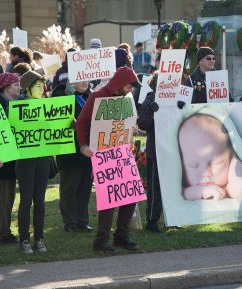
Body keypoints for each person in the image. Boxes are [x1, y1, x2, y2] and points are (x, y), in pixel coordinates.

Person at [76, 66, 142, 254]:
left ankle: (122, 236)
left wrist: (130, 141)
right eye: (130, 86)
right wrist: (83, 146)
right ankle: (101, 240)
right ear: (120, 84)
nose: (132, 90)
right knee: (110, 198)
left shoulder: (126, 99)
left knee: (130, 195)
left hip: (123, 152)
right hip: (103, 153)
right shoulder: (96, 97)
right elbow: (80, 122)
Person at [178, 113, 242, 201]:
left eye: (216, 162)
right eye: (193, 165)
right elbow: (174, 197)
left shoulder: (231, 187)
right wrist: (196, 192)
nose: (206, 173)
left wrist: (235, 161)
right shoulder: (184, 191)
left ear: (230, 156)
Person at [16, 70, 50, 254]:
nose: (42, 88)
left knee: (40, 201)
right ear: (28, 88)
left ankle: (39, 238)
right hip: (25, 160)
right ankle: (24, 239)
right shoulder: (19, 105)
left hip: (42, 158)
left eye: (43, 85)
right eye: (37, 85)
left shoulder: (47, 105)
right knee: (26, 200)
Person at [52, 79, 93, 233]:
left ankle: (82, 221)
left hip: (87, 148)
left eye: (87, 79)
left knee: (85, 187)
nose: (85, 82)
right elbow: (56, 118)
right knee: (70, 187)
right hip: (69, 150)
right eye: (80, 80)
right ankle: (70, 222)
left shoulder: (90, 96)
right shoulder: (61, 93)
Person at [0, 72, 21, 243]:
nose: (19, 87)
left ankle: (4, 231)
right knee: (5, 197)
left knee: (9, 196)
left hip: (12, 156)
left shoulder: (13, 102)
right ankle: (2, 234)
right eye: (16, 85)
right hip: (2, 159)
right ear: (6, 87)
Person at [136, 71, 163, 233]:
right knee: (155, 187)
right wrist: (153, 112)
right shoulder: (149, 100)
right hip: (156, 150)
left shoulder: (176, 100)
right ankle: (152, 220)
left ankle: (173, 218)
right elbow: (142, 124)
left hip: (172, 149)